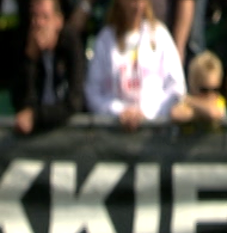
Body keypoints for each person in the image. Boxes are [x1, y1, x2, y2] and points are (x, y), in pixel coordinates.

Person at [84, 0, 185, 131]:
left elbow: (177, 88)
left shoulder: (160, 35)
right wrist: (119, 111)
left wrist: (147, 113)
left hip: (155, 135)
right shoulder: (105, 40)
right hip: (114, 135)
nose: (136, 5)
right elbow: (92, 92)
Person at [14, 0, 85, 135]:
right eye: (35, 16)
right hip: (34, 137)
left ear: (58, 21)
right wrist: (31, 59)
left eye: (45, 17)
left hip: (71, 133)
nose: (39, 23)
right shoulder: (24, 46)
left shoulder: (71, 45)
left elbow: (75, 101)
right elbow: (22, 104)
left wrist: (37, 117)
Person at [170, 49, 226, 127]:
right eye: (204, 90)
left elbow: (212, 113)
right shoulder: (186, 105)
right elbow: (175, 114)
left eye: (215, 90)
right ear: (192, 86)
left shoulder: (219, 102)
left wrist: (190, 101)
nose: (210, 95)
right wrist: (200, 114)